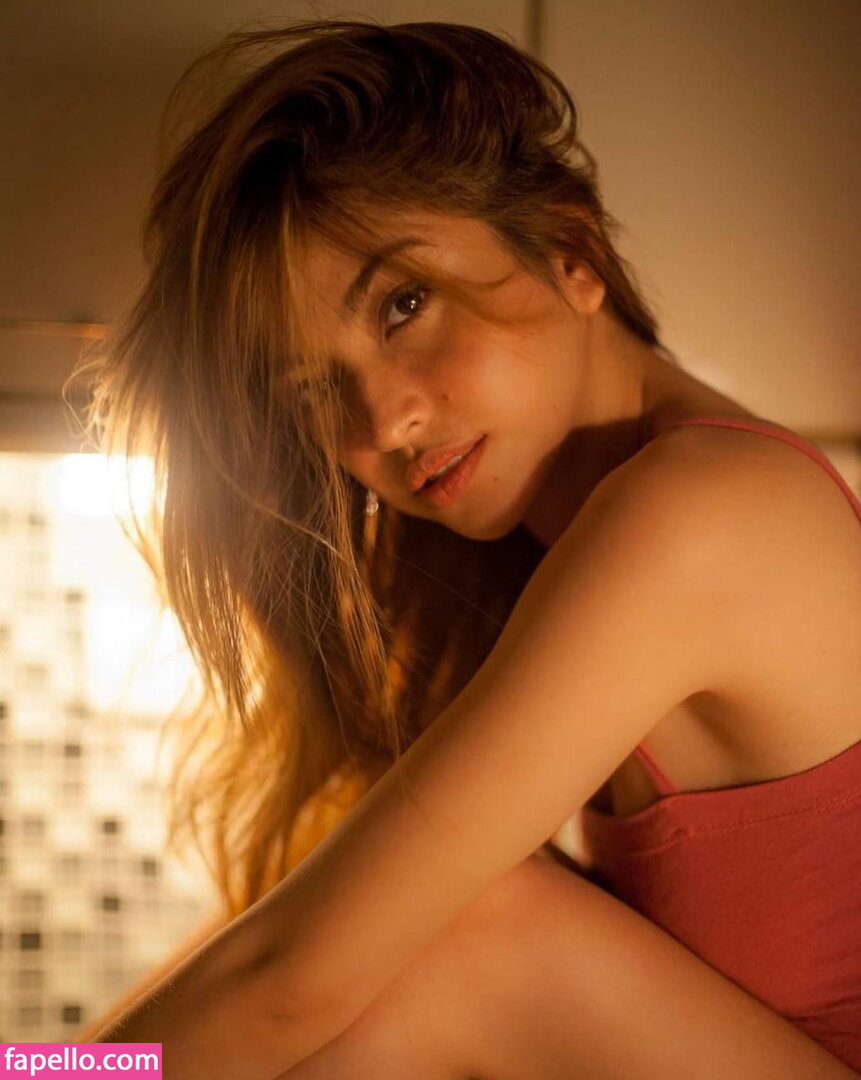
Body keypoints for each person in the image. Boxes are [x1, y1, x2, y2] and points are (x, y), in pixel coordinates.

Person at [68, 16, 861, 1078]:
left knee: (478, 934)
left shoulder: (702, 512)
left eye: (405, 305)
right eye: (313, 390)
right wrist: (50, 1064)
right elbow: (299, 937)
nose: (384, 419)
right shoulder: (568, 534)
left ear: (572, 252)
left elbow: (287, 978)